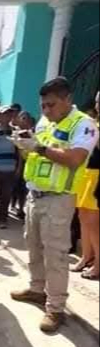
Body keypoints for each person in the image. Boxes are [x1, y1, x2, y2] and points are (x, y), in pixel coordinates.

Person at [12, 77, 99, 333]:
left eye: (51, 105)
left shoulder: (84, 125)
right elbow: (36, 156)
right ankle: (37, 289)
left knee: (56, 255)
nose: (46, 111)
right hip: (35, 196)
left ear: (67, 99)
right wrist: (24, 145)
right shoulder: (44, 122)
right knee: (34, 247)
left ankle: (56, 307)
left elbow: (74, 159)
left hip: (59, 199)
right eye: (43, 106)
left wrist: (37, 147)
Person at [71, 92, 100, 281]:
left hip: (98, 175)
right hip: (85, 173)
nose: (99, 104)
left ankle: (98, 264)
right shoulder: (92, 124)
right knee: (82, 216)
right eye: (98, 101)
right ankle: (86, 256)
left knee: (93, 222)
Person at [11, 111, 33, 219]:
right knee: (14, 187)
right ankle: (12, 205)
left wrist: (19, 166)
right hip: (12, 162)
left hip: (25, 163)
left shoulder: (31, 133)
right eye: (22, 118)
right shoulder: (15, 132)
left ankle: (21, 208)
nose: (23, 120)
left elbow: (22, 151)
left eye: (25, 118)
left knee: (23, 188)